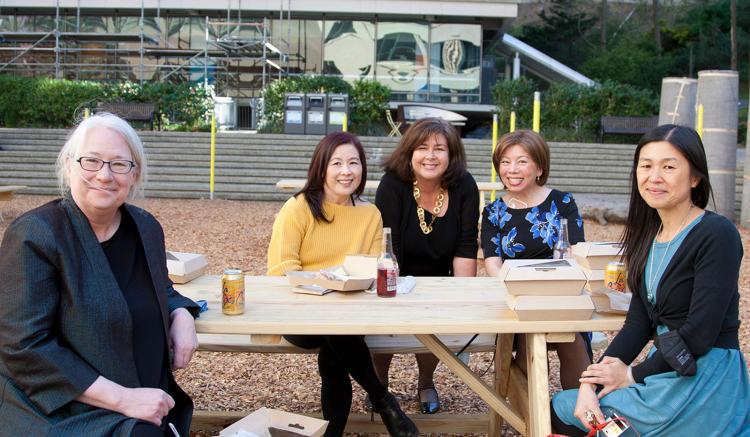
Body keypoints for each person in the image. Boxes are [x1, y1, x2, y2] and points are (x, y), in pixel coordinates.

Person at [0, 113, 200, 437]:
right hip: (63, 412)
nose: (105, 176)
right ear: (69, 164)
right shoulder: (35, 235)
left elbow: (157, 284)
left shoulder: (144, 227)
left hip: (146, 403)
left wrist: (182, 313)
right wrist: (124, 400)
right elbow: (24, 347)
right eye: (91, 161)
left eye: (119, 164)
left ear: (134, 174)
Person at [551, 125, 750, 435]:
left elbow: (699, 335)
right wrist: (592, 382)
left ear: (695, 177)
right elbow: (637, 324)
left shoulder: (717, 233)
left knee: (570, 419)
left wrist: (630, 375)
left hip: (704, 379)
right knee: (568, 408)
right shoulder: (648, 236)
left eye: (668, 167)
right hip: (665, 371)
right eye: (646, 166)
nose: (654, 176)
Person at [266, 132, 418, 437]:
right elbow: (282, 269)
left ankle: (334, 433)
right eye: (336, 163)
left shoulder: (370, 213)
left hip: (351, 313)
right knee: (336, 333)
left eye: (353, 163)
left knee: (335, 353)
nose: (346, 171)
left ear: (362, 168)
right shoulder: (298, 207)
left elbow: (377, 267)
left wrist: (384, 271)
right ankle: (381, 397)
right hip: (299, 313)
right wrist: (323, 287)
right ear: (321, 168)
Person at [374, 117, 479, 414]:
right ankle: (379, 385)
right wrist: (394, 294)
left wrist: (465, 300)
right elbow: (387, 244)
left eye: (439, 148)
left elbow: (467, 245)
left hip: (440, 277)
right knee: (385, 322)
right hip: (396, 270)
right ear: (409, 152)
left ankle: (425, 382)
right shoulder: (393, 183)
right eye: (422, 147)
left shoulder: (465, 185)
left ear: (452, 155)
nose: (430, 155)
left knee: (435, 319)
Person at [481, 129, 591, 390]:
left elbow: (574, 251)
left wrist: (552, 287)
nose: (511, 169)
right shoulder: (493, 211)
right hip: (515, 295)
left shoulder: (563, 202)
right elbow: (492, 262)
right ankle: (532, 416)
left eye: (521, 161)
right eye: (505, 162)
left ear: (540, 167)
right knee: (526, 338)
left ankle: (580, 410)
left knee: (571, 332)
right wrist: (516, 288)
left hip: (559, 291)